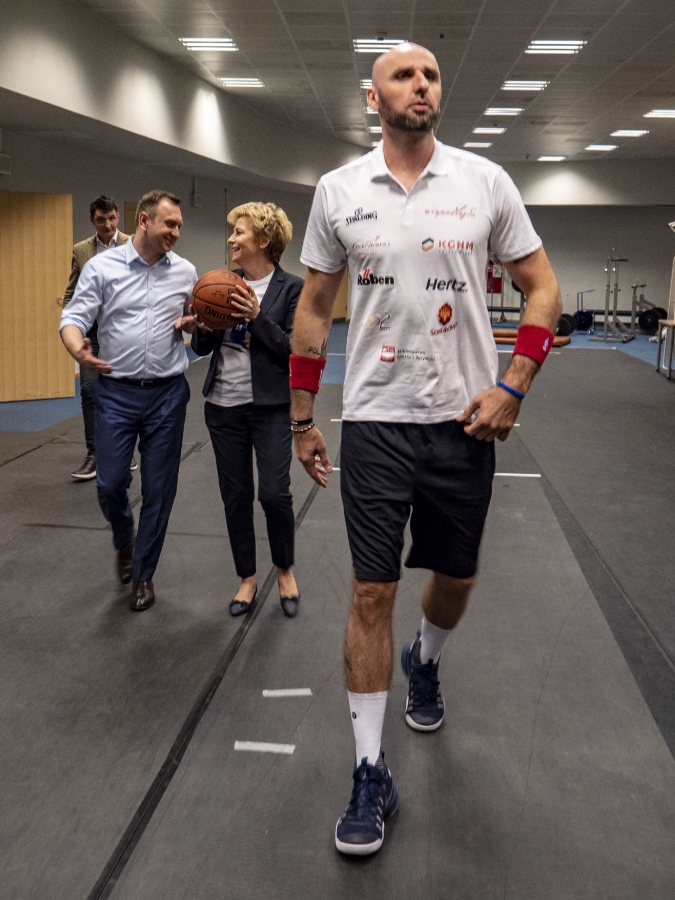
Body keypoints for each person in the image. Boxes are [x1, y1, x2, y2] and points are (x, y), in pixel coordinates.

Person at [289, 43, 562, 855]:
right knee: (370, 591)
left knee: (456, 578)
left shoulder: (485, 182)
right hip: (374, 420)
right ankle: (369, 771)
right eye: (403, 76)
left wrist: (514, 385)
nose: (421, 86)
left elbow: (542, 287)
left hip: (463, 422)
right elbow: (313, 306)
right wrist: (301, 417)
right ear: (372, 98)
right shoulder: (338, 190)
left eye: (431, 75)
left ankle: (426, 657)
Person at [59, 190, 198, 611]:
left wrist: (197, 324)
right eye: (169, 224)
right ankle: (125, 539)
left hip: (167, 395)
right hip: (116, 393)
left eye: (179, 226)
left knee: (159, 489)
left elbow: (200, 326)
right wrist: (78, 350)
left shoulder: (186, 272)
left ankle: (143, 573)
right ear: (144, 220)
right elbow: (73, 317)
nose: (176, 232)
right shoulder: (102, 267)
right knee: (109, 484)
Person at [192, 203, 303, 617]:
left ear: (264, 240)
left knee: (274, 493)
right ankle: (247, 578)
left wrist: (257, 318)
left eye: (239, 232)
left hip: (270, 407)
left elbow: (294, 348)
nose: (231, 239)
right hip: (224, 407)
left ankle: (285, 569)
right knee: (236, 496)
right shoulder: (221, 283)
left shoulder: (292, 289)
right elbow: (201, 347)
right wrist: (203, 327)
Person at [62, 196, 136, 480]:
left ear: (118, 217)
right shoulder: (81, 250)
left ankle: (124, 448)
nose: (107, 224)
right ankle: (94, 454)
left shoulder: (133, 245)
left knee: (123, 390)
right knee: (90, 390)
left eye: (112, 218)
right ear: (92, 220)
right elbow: (72, 292)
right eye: (101, 219)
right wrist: (71, 324)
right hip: (91, 333)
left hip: (123, 331)